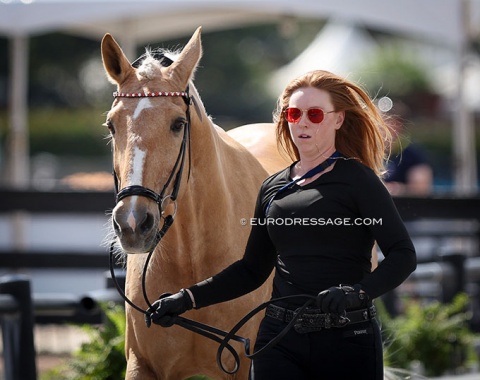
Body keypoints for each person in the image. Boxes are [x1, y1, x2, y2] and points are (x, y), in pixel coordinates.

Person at [148, 70, 417, 379]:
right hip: (279, 338)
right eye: (294, 113)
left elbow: (402, 255)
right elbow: (251, 270)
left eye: (314, 114)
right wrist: (186, 299)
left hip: (347, 338)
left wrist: (357, 292)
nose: (301, 122)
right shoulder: (273, 186)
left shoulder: (359, 181)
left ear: (338, 120)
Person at [383, 105, 433, 196]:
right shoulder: (369, 152)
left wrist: (399, 189)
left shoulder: (413, 155)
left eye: (389, 122)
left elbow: (422, 188)